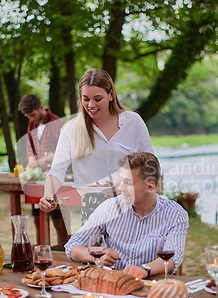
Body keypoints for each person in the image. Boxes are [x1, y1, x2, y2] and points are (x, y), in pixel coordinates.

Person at [39, 68, 153, 224]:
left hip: (133, 207)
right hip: (93, 211)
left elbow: (150, 165)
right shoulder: (71, 130)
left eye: (98, 99)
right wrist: (48, 194)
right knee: (94, 249)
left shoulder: (133, 122)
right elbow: (57, 170)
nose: (91, 105)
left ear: (111, 95)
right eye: (86, 99)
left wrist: (128, 181)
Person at [64, 152, 188, 279]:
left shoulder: (175, 214)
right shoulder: (109, 208)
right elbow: (73, 245)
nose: (121, 188)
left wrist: (144, 269)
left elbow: (173, 258)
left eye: (128, 182)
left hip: (149, 285)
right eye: (121, 180)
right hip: (110, 283)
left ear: (150, 186)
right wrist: (94, 256)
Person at [18, 94, 69, 243]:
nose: (31, 119)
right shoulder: (32, 124)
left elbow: (62, 153)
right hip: (38, 178)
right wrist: (32, 160)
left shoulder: (57, 123)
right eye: (28, 116)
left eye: (32, 114)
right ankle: (42, 248)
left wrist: (40, 162)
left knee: (58, 217)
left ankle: (63, 247)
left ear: (41, 108)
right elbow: (30, 146)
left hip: (56, 176)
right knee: (37, 216)